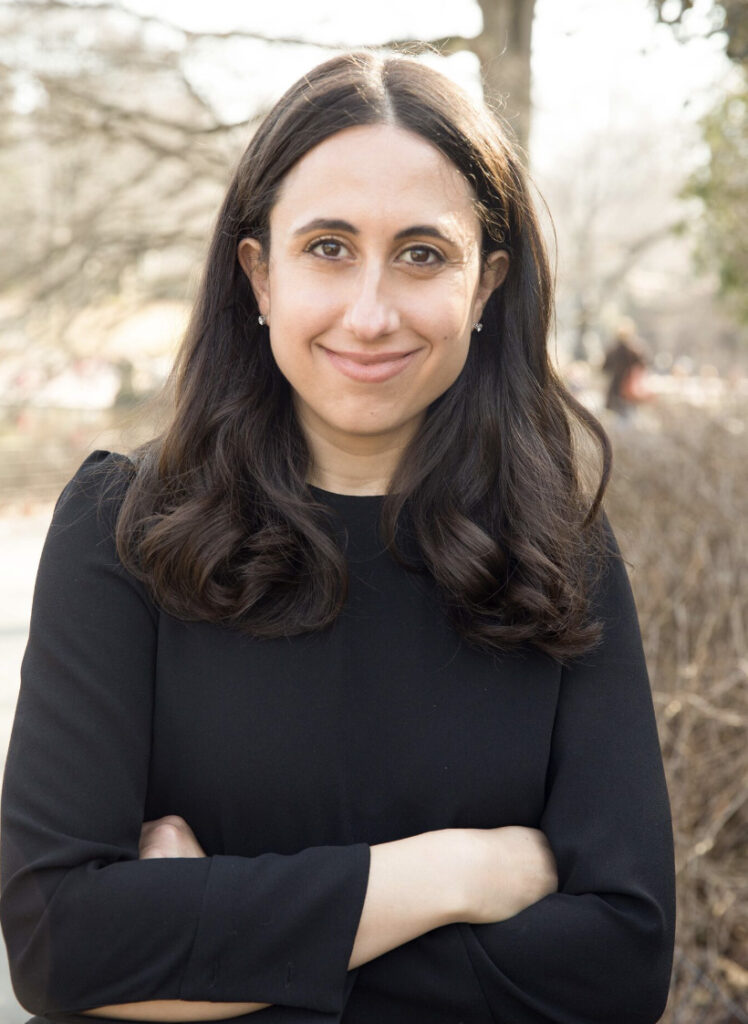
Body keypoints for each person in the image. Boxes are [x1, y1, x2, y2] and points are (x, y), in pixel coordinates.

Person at [0, 49, 675, 1024]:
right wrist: (450, 875)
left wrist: (205, 947)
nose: (371, 312)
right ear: (257, 272)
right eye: (327, 247)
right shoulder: (122, 531)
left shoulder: (558, 549)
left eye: (421, 253)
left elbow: (621, 968)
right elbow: (59, 941)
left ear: (484, 287)